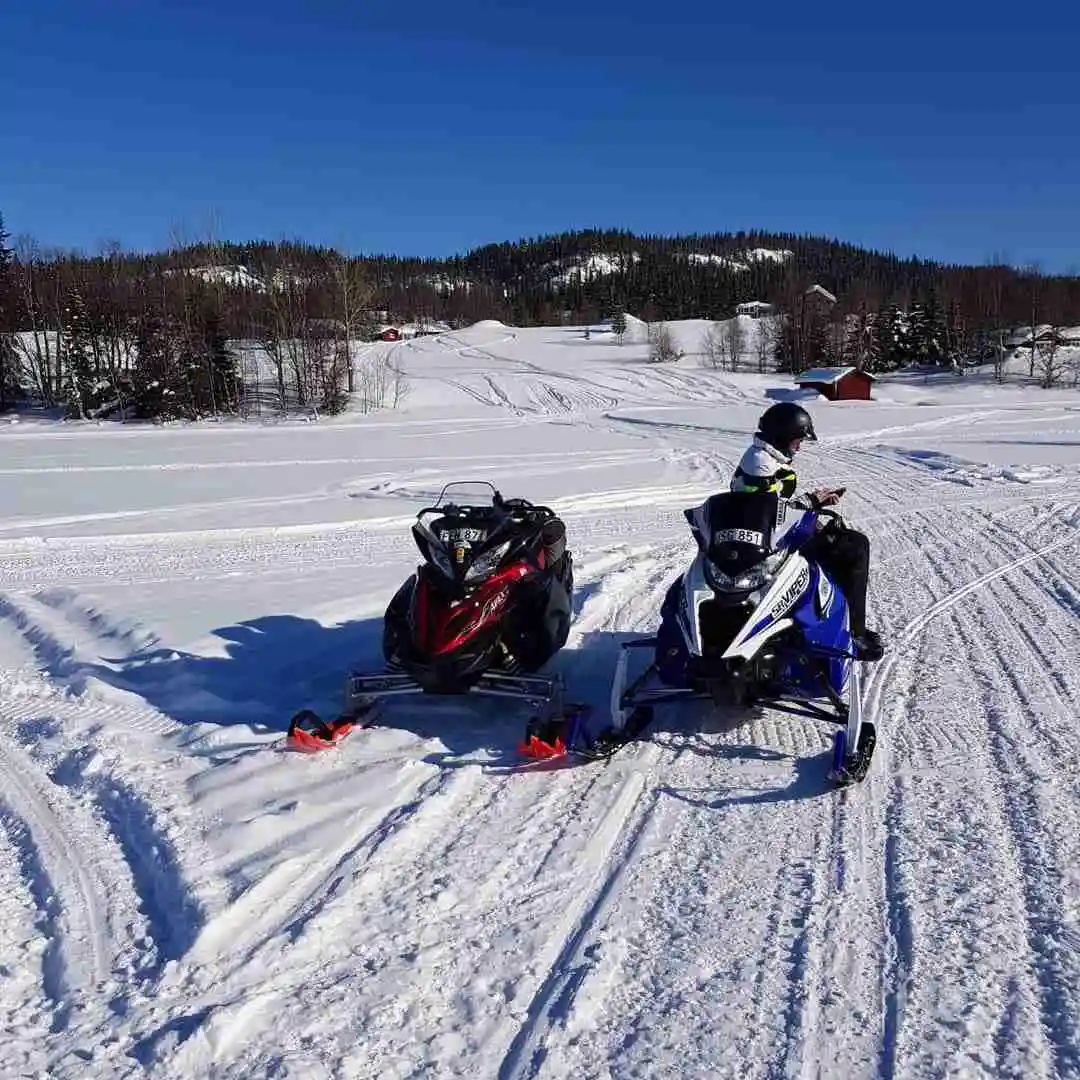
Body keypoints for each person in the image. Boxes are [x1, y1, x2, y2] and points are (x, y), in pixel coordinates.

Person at [730, 401, 884, 662]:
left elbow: (774, 506)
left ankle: (830, 616)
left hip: (767, 536)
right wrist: (812, 508)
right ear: (782, 437)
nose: (799, 447)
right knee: (855, 547)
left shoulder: (763, 457)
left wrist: (814, 502)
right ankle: (854, 633)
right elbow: (772, 515)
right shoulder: (761, 465)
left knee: (837, 537)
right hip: (768, 545)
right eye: (797, 440)